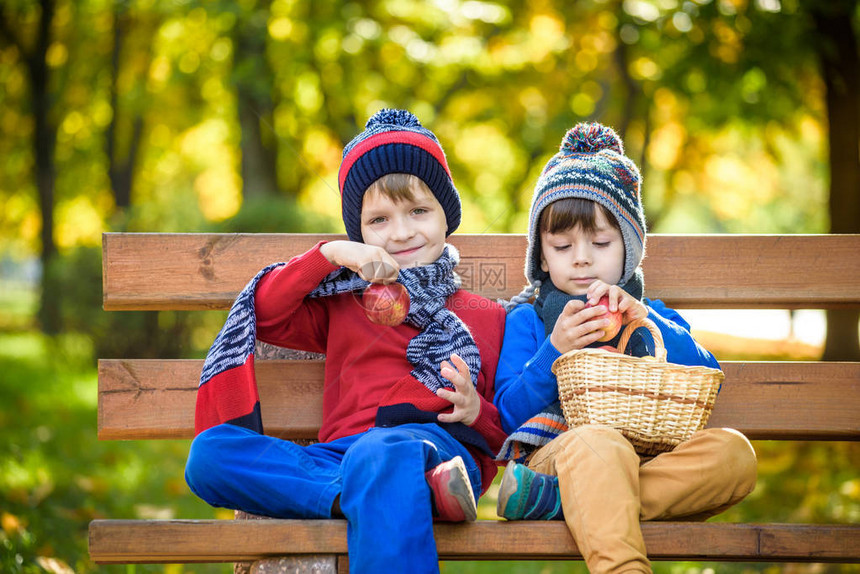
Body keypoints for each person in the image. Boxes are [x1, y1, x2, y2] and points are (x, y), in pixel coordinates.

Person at [184, 109, 508, 573]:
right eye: (379, 220)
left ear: (446, 215)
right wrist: (331, 254)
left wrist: (477, 411)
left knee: (383, 454)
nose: (401, 231)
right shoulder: (344, 303)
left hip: (431, 446)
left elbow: (505, 432)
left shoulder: (486, 316)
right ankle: (395, 494)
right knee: (209, 455)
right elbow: (268, 313)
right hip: (342, 455)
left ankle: (391, 484)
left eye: (419, 210)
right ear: (362, 234)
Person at [493, 123, 757, 573]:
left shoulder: (649, 312)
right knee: (601, 443)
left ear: (628, 250)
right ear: (541, 255)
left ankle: (564, 503)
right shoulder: (529, 319)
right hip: (563, 453)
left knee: (735, 455)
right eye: (562, 245)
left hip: (651, 455)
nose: (581, 257)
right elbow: (505, 415)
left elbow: (705, 370)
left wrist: (644, 319)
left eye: (600, 243)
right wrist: (554, 350)